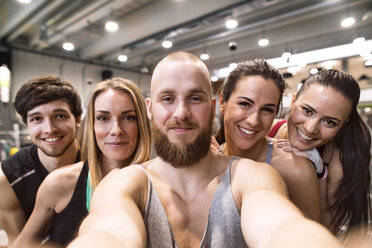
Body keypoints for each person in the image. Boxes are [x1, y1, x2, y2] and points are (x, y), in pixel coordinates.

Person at [68, 51, 341, 248]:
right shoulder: (125, 182)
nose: (181, 112)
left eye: (194, 98)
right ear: (150, 109)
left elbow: (279, 226)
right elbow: (109, 233)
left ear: (212, 108)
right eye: (167, 98)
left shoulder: (253, 176)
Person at [11, 78, 152, 247]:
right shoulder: (59, 183)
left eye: (129, 117)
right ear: (91, 125)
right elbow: (21, 244)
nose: (116, 130)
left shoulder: (162, 184)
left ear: (142, 123)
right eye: (103, 118)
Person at [213, 59, 320, 221]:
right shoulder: (208, 159)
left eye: (267, 110)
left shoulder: (295, 169)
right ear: (222, 102)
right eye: (245, 104)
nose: (253, 121)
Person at [270, 69, 371, 235]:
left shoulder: (336, 161)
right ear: (293, 101)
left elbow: (328, 230)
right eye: (307, 111)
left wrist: (320, 172)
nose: (310, 128)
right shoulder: (266, 128)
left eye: (329, 122)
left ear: (343, 124)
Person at [0, 76, 82, 245]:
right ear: (27, 125)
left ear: (78, 119)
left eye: (60, 116)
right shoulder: (7, 180)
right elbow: (20, 242)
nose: (49, 129)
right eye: (36, 119)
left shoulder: (99, 164)